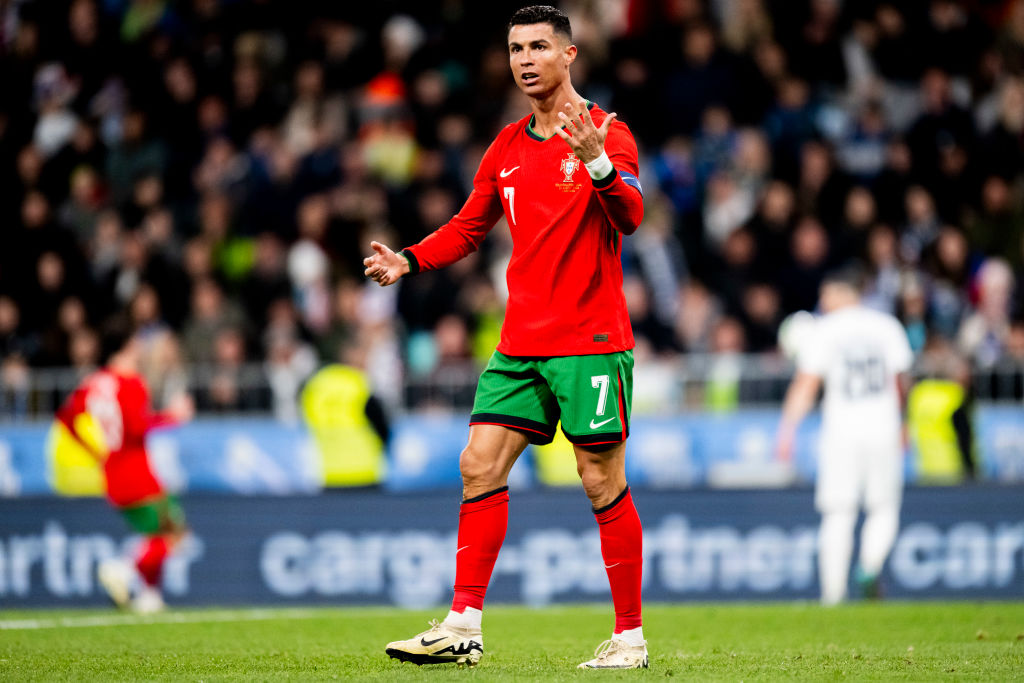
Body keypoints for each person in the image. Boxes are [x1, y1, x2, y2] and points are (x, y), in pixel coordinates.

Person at [364, 5, 646, 670]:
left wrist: (598, 164)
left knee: (599, 477)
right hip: (521, 342)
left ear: (569, 56)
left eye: (539, 47)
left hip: (591, 338)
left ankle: (629, 636)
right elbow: (468, 225)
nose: (525, 59)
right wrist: (409, 259)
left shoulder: (607, 130)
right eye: (517, 48)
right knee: (478, 464)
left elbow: (632, 215)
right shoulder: (507, 148)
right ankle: (463, 623)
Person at [775, 269, 913, 605]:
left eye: (826, 296)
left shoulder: (826, 329)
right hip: (883, 425)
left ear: (841, 293)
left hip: (840, 430)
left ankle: (833, 597)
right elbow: (901, 382)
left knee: (838, 512)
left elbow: (806, 384)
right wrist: (904, 423)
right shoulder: (887, 326)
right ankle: (869, 564)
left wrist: (787, 429)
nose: (822, 303)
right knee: (884, 507)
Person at [55, 322, 194, 613]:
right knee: (175, 534)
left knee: (154, 535)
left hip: (113, 471)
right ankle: (123, 569)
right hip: (137, 470)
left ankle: (150, 597)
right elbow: (135, 428)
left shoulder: (93, 382)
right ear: (129, 346)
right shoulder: (131, 382)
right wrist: (172, 416)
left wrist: (96, 453)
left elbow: (66, 419)